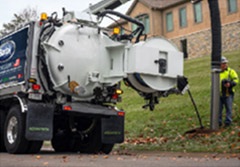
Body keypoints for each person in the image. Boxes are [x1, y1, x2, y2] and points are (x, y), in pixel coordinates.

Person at [219, 56, 239, 127]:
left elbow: (236, 80)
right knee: (219, 109)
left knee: (228, 108)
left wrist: (230, 84)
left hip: (228, 93)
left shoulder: (231, 71)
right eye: (223, 63)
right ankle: (219, 122)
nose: (225, 65)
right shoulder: (217, 73)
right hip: (219, 94)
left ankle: (228, 122)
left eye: (225, 63)